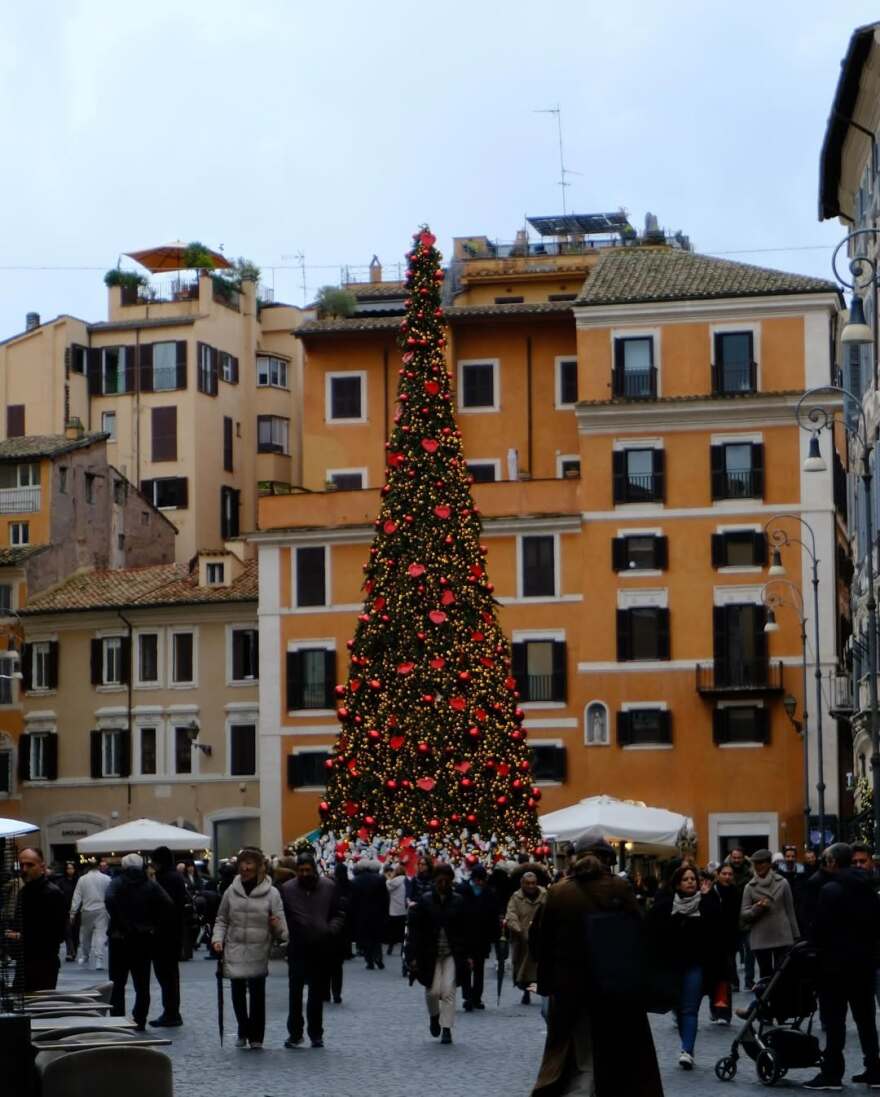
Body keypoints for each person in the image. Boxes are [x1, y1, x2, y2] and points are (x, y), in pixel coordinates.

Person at [532, 832, 663, 1095]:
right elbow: (641, 935)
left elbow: (540, 941)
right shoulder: (619, 888)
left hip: (571, 990)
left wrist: (547, 982)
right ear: (607, 859)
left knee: (582, 1055)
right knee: (616, 1058)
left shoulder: (557, 892)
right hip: (615, 988)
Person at [803, 842, 880, 1091]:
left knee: (835, 1022)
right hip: (864, 964)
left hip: (835, 966)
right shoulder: (869, 887)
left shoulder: (830, 890)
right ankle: (874, 1069)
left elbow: (820, 930)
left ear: (834, 862)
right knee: (866, 1020)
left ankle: (832, 1072)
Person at [212, 846, 287, 1049]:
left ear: (258, 866)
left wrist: (276, 925)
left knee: (257, 993)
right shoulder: (231, 891)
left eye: (249, 863)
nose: (245, 867)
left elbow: (282, 929)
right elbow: (222, 919)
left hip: (258, 947)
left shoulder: (272, 893)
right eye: (243, 863)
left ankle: (256, 1036)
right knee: (237, 991)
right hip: (235, 946)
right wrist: (217, 939)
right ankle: (242, 1029)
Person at [649, 863, 723, 1069]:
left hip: (695, 965)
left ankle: (687, 1050)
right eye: (686, 879)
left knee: (690, 1008)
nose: (690, 882)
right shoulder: (666, 905)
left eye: (693, 879)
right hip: (671, 966)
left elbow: (717, 924)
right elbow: (653, 931)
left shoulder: (705, 902)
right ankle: (687, 1044)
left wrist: (708, 897)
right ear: (678, 884)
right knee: (679, 1008)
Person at [281, 852, 346, 1049]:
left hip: (321, 946)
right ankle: (295, 1033)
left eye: (308, 870)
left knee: (316, 994)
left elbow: (339, 913)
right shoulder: (287, 889)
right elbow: (282, 914)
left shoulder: (329, 887)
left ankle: (316, 1034)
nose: (305, 873)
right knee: (295, 994)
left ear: (314, 869)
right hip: (297, 946)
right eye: (301, 870)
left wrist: (330, 930)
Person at [105, 853, 173, 1031]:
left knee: (117, 983)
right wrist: (153, 924)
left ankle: (117, 1020)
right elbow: (167, 903)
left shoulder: (117, 882)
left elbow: (109, 898)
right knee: (142, 984)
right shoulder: (149, 884)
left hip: (119, 938)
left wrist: (120, 921)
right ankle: (140, 1018)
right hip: (142, 938)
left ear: (124, 866)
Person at [406, 861, 468, 1045]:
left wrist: (467, 954)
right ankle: (434, 1016)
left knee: (448, 990)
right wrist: (412, 956)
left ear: (450, 881)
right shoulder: (425, 901)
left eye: (446, 881)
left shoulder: (458, 900)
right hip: (429, 953)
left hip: (451, 952)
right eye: (440, 881)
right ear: (435, 881)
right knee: (432, 991)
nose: (443, 884)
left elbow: (466, 930)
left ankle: (446, 1028)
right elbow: (415, 931)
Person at [7, 847, 67, 991]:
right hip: (24, 962)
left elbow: (57, 934)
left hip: (43, 965)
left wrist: (19, 936)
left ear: (42, 866)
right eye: (21, 865)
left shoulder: (52, 893)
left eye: (30, 865)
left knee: (38, 1007)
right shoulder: (24, 891)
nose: (24, 869)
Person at [739, 848, 799, 980]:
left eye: (762, 863)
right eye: (756, 863)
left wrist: (795, 936)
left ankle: (781, 1001)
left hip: (782, 936)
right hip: (761, 938)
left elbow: (790, 910)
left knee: (782, 976)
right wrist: (757, 908)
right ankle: (767, 1001)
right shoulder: (749, 886)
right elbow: (744, 914)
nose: (758, 866)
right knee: (766, 977)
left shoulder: (782, 883)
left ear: (769, 864)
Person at [149, 846, 187, 1026]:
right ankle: (171, 1011)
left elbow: (162, 906)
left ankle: (171, 1012)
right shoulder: (175, 877)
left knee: (166, 974)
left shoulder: (166, 879)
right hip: (174, 933)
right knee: (170, 974)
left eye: (154, 861)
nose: (152, 865)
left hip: (164, 934)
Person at [456, 862, 501, 1011]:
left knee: (479, 968)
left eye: (482, 880)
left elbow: (494, 916)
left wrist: (495, 936)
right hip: (465, 935)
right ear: (473, 878)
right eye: (478, 879)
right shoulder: (462, 890)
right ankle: (468, 997)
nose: (480, 882)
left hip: (482, 937)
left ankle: (477, 997)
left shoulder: (489, 893)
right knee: (465, 968)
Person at [505, 870, 546, 1004]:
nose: (530, 886)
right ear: (522, 883)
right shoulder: (516, 897)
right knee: (524, 968)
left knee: (542, 965)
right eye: (527, 883)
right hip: (523, 938)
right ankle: (526, 991)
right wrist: (518, 929)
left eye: (533, 883)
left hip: (541, 937)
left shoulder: (545, 895)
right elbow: (511, 914)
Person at [709, 863, 741, 1024]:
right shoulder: (711, 891)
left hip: (728, 941)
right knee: (713, 976)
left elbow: (736, 917)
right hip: (713, 940)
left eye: (730, 874)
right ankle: (715, 1010)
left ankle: (724, 1012)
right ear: (718, 874)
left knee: (725, 977)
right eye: (724, 873)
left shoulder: (735, 892)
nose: (727, 876)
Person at [70, 857, 111, 970]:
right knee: (100, 935)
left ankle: (85, 955)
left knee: (86, 936)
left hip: (86, 910)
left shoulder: (82, 879)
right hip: (102, 910)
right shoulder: (107, 879)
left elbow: (77, 896)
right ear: (98, 866)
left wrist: (73, 913)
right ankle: (99, 960)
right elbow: (111, 895)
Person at [349, 858, 388, 970]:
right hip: (377, 912)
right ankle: (378, 958)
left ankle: (369, 960)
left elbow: (353, 900)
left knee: (365, 938)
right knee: (376, 938)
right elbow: (385, 898)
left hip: (362, 913)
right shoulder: (380, 879)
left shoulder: (356, 881)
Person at [726, 847, 754, 990]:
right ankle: (734, 982)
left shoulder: (750, 874)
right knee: (730, 953)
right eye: (734, 857)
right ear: (731, 858)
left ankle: (749, 981)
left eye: (739, 858)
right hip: (730, 920)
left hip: (746, 918)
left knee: (750, 950)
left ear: (743, 858)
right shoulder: (725, 873)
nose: (736, 860)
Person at [54, 861, 79, 962]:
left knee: (75, 932)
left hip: (77, 910)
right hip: (65, 910)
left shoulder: (78, 881)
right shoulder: (61, 882)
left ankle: (74, 951)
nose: (70, 870)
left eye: (72, 868)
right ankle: (70, 952)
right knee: (68, 932)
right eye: (68, 868)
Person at [385, 864, 408, 956]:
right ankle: (403, 948)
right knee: (403, 931)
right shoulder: (407, 880)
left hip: (394, 909)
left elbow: (388, 886)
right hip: (403, 909)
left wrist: (388, 878)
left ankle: (390, 948)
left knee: (392, 931)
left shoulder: (393, 881)